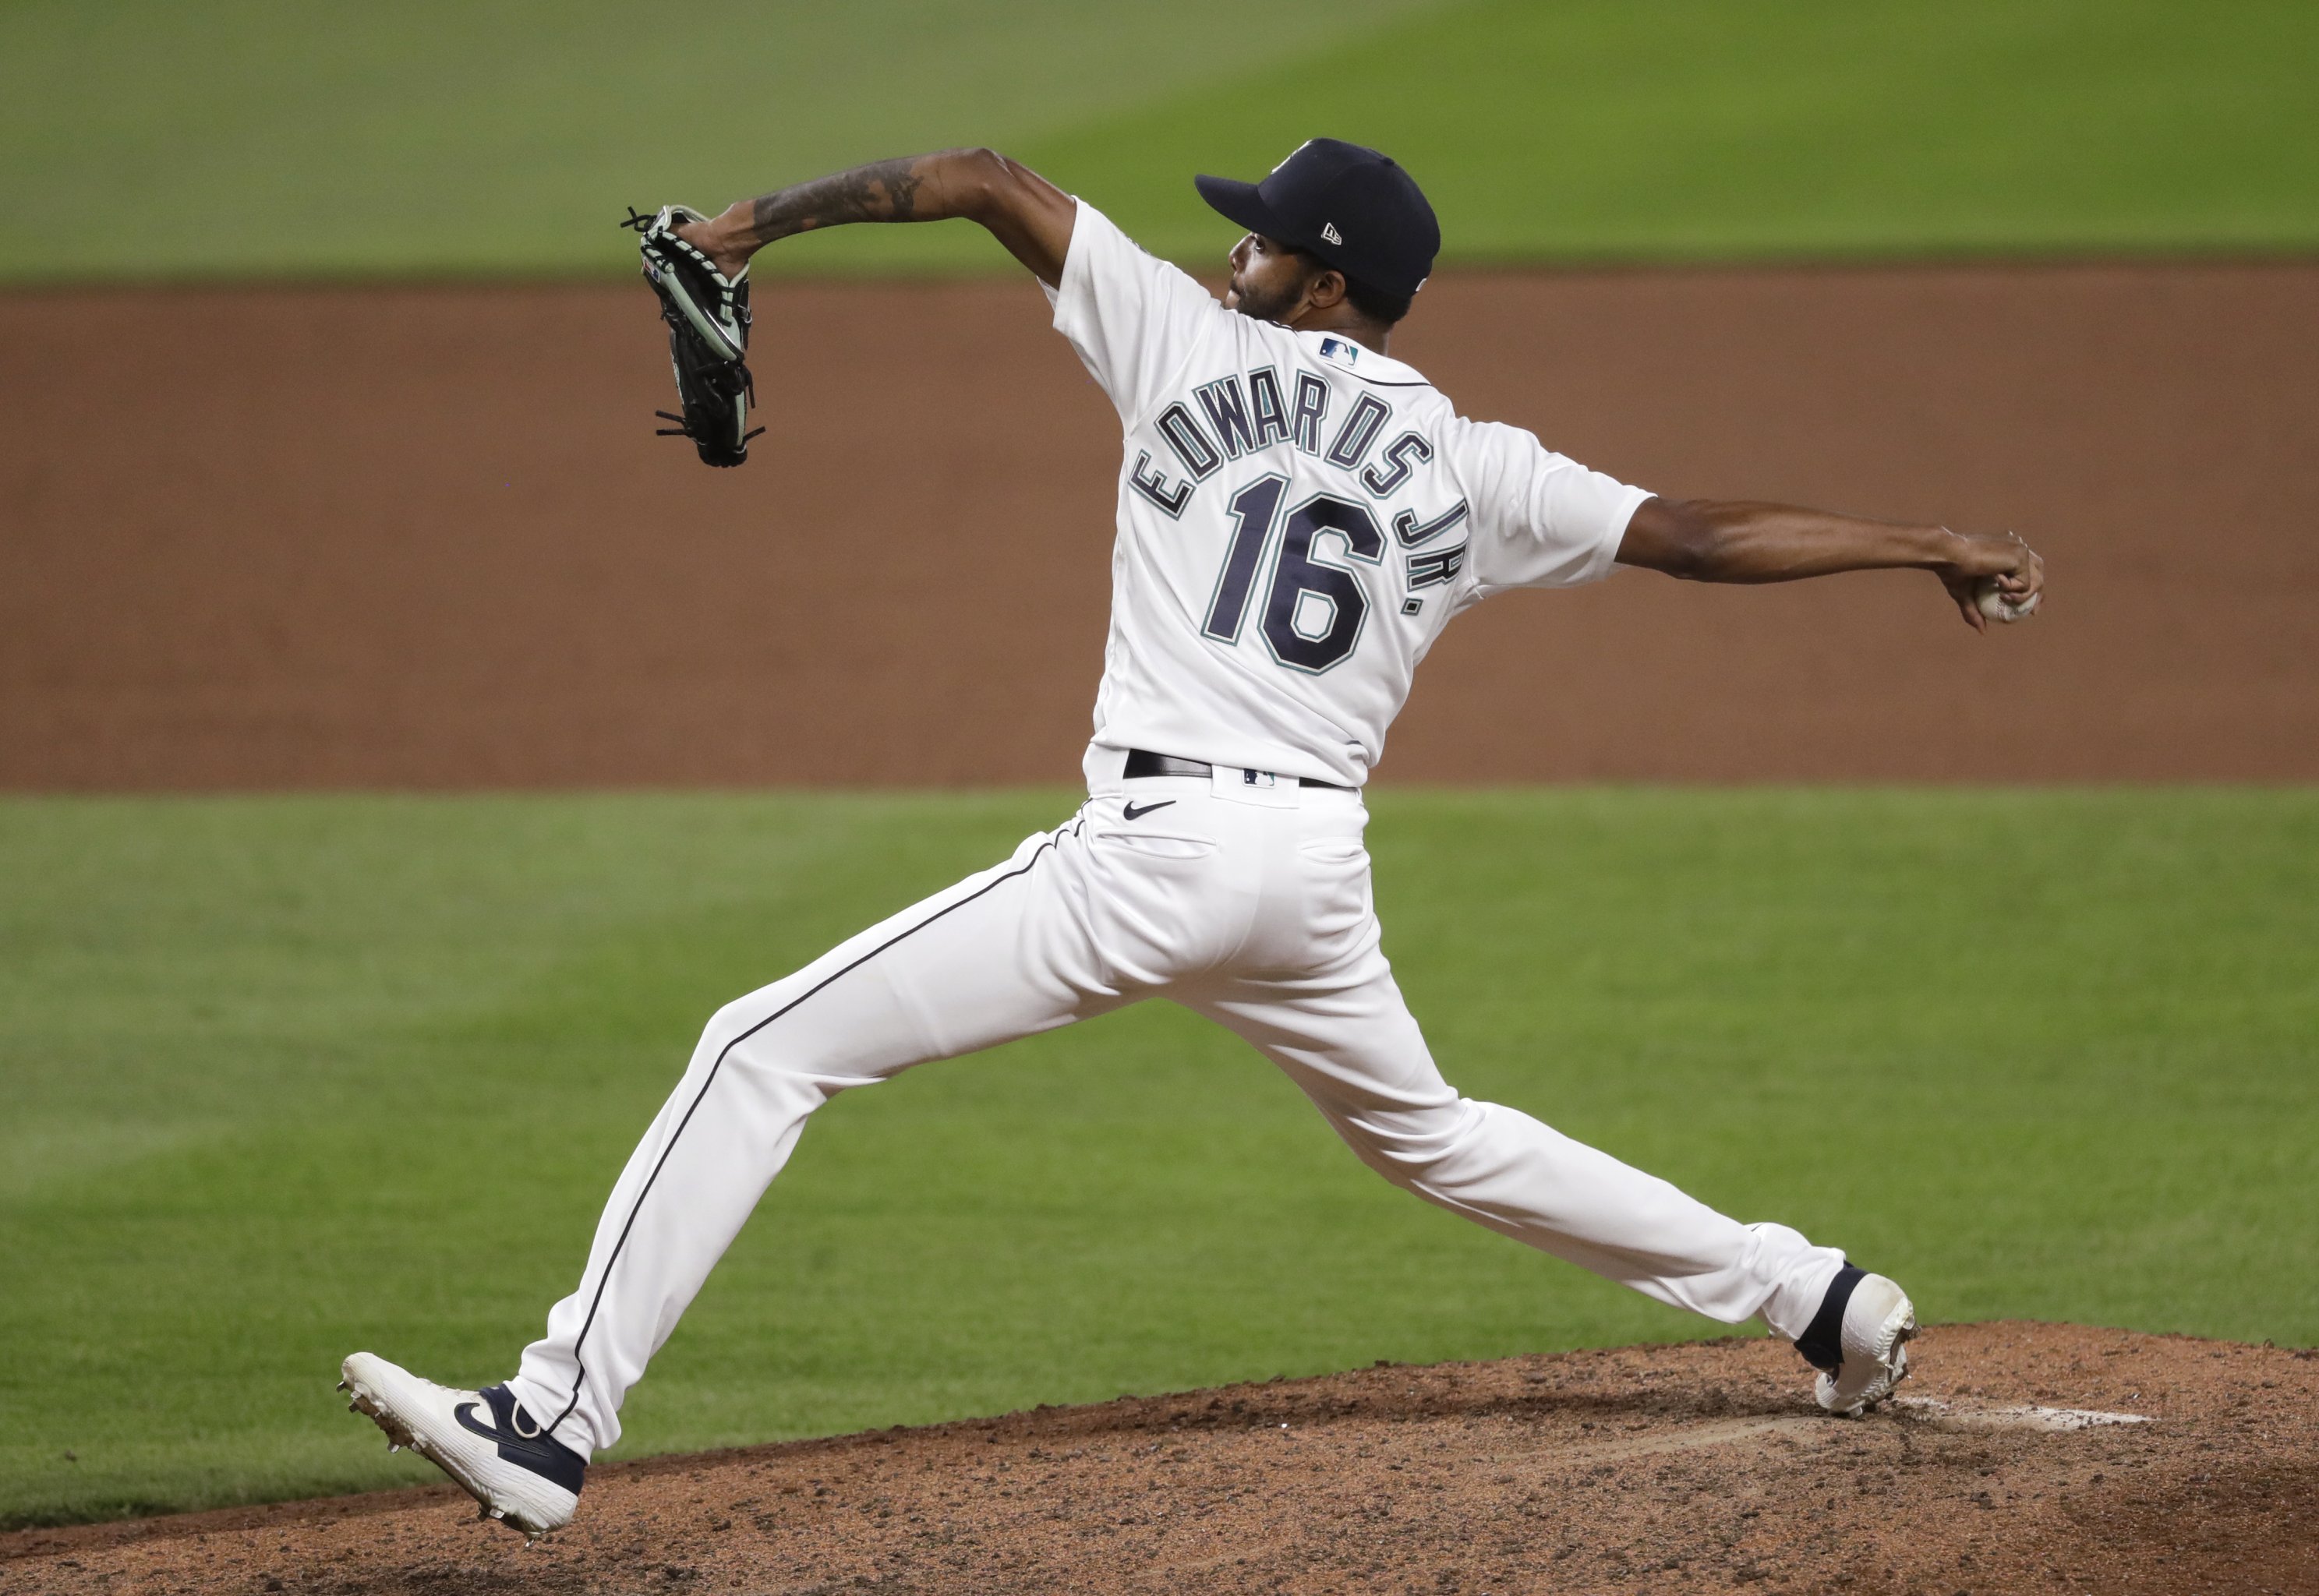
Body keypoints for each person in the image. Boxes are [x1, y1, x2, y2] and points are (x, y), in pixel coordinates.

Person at [340, 139, 2045, 1537]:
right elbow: (1696, 535)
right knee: (1437, 1137)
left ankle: (552, 1418)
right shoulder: (1469, 456)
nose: (1225, 254)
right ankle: (1816, 1297)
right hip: (1308, 886)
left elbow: (978, 178)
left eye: (1255, 244)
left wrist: (753, 226)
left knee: (757, 1048)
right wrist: (1925, 541)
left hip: (1148, 861)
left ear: (1316, 279)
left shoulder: (1181, 341)